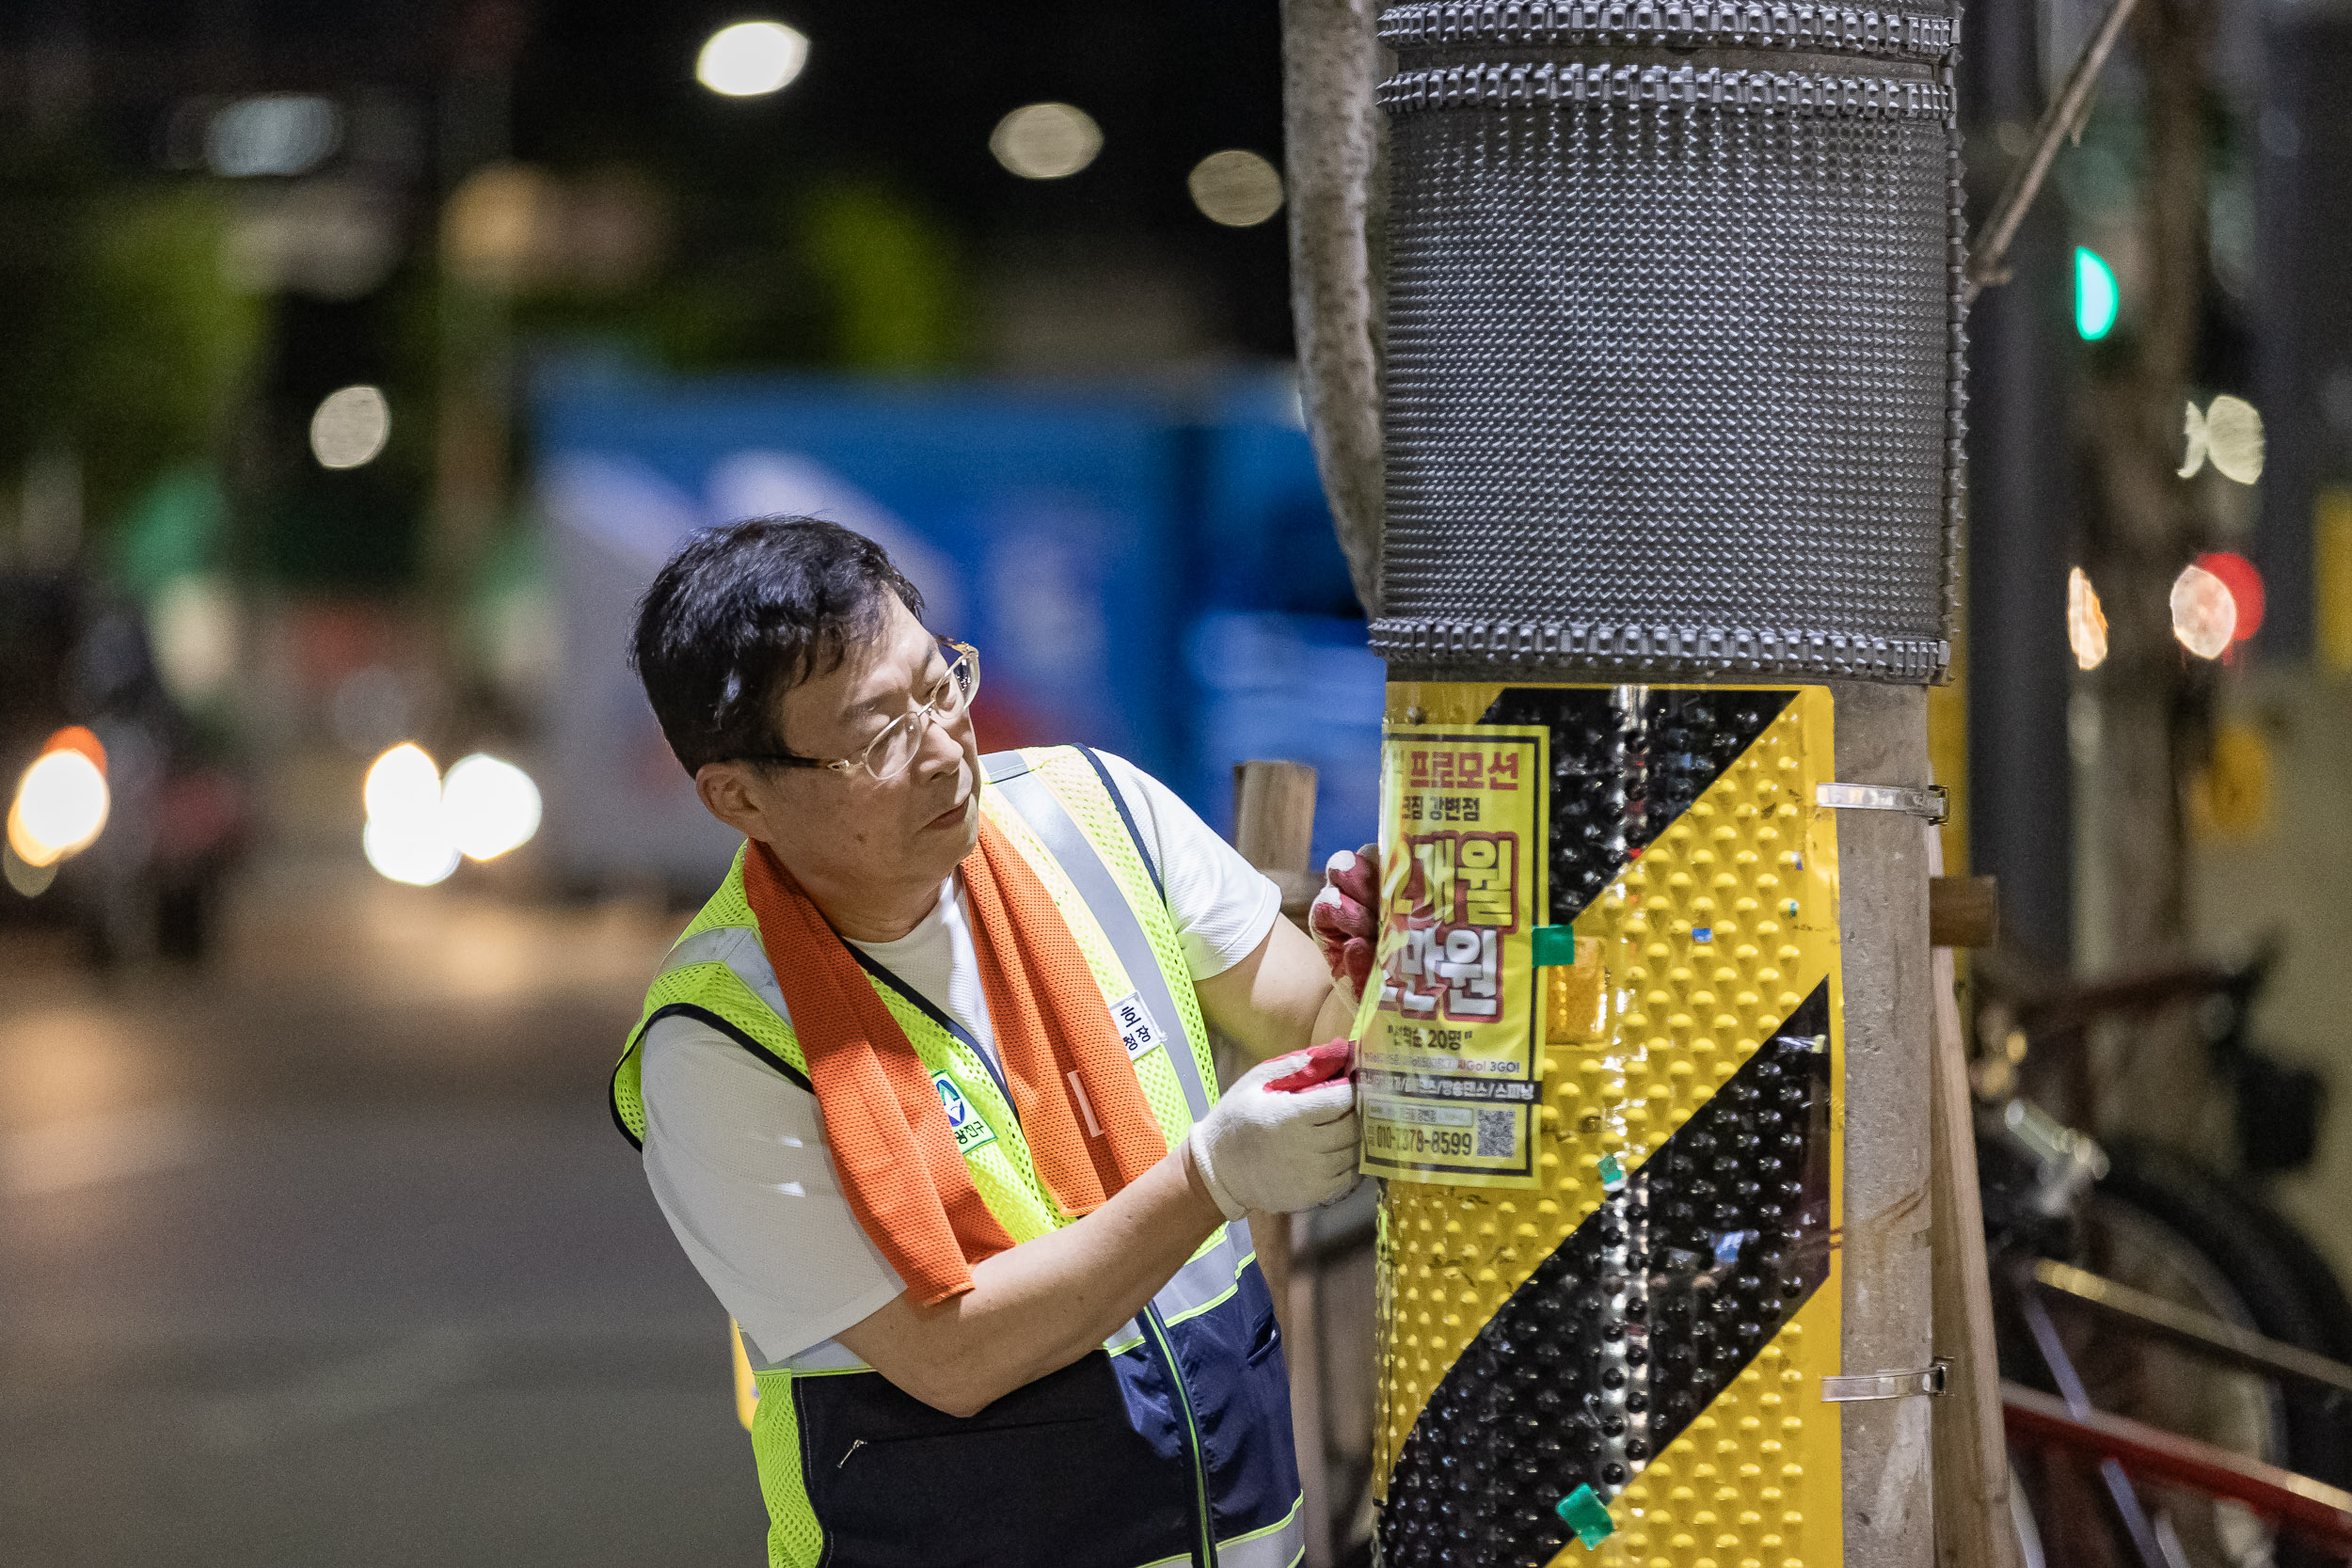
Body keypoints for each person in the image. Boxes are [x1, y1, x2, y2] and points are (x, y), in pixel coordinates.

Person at [608, 516, 1364, 1568]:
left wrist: (1378, 971)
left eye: (940, 681)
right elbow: (947, 1356)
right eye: (877, 734)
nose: (941, 746)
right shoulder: (720, 1041)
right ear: (738, 793)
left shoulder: (1097, 813)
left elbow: (1321, 1019)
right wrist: (1209, 1177)